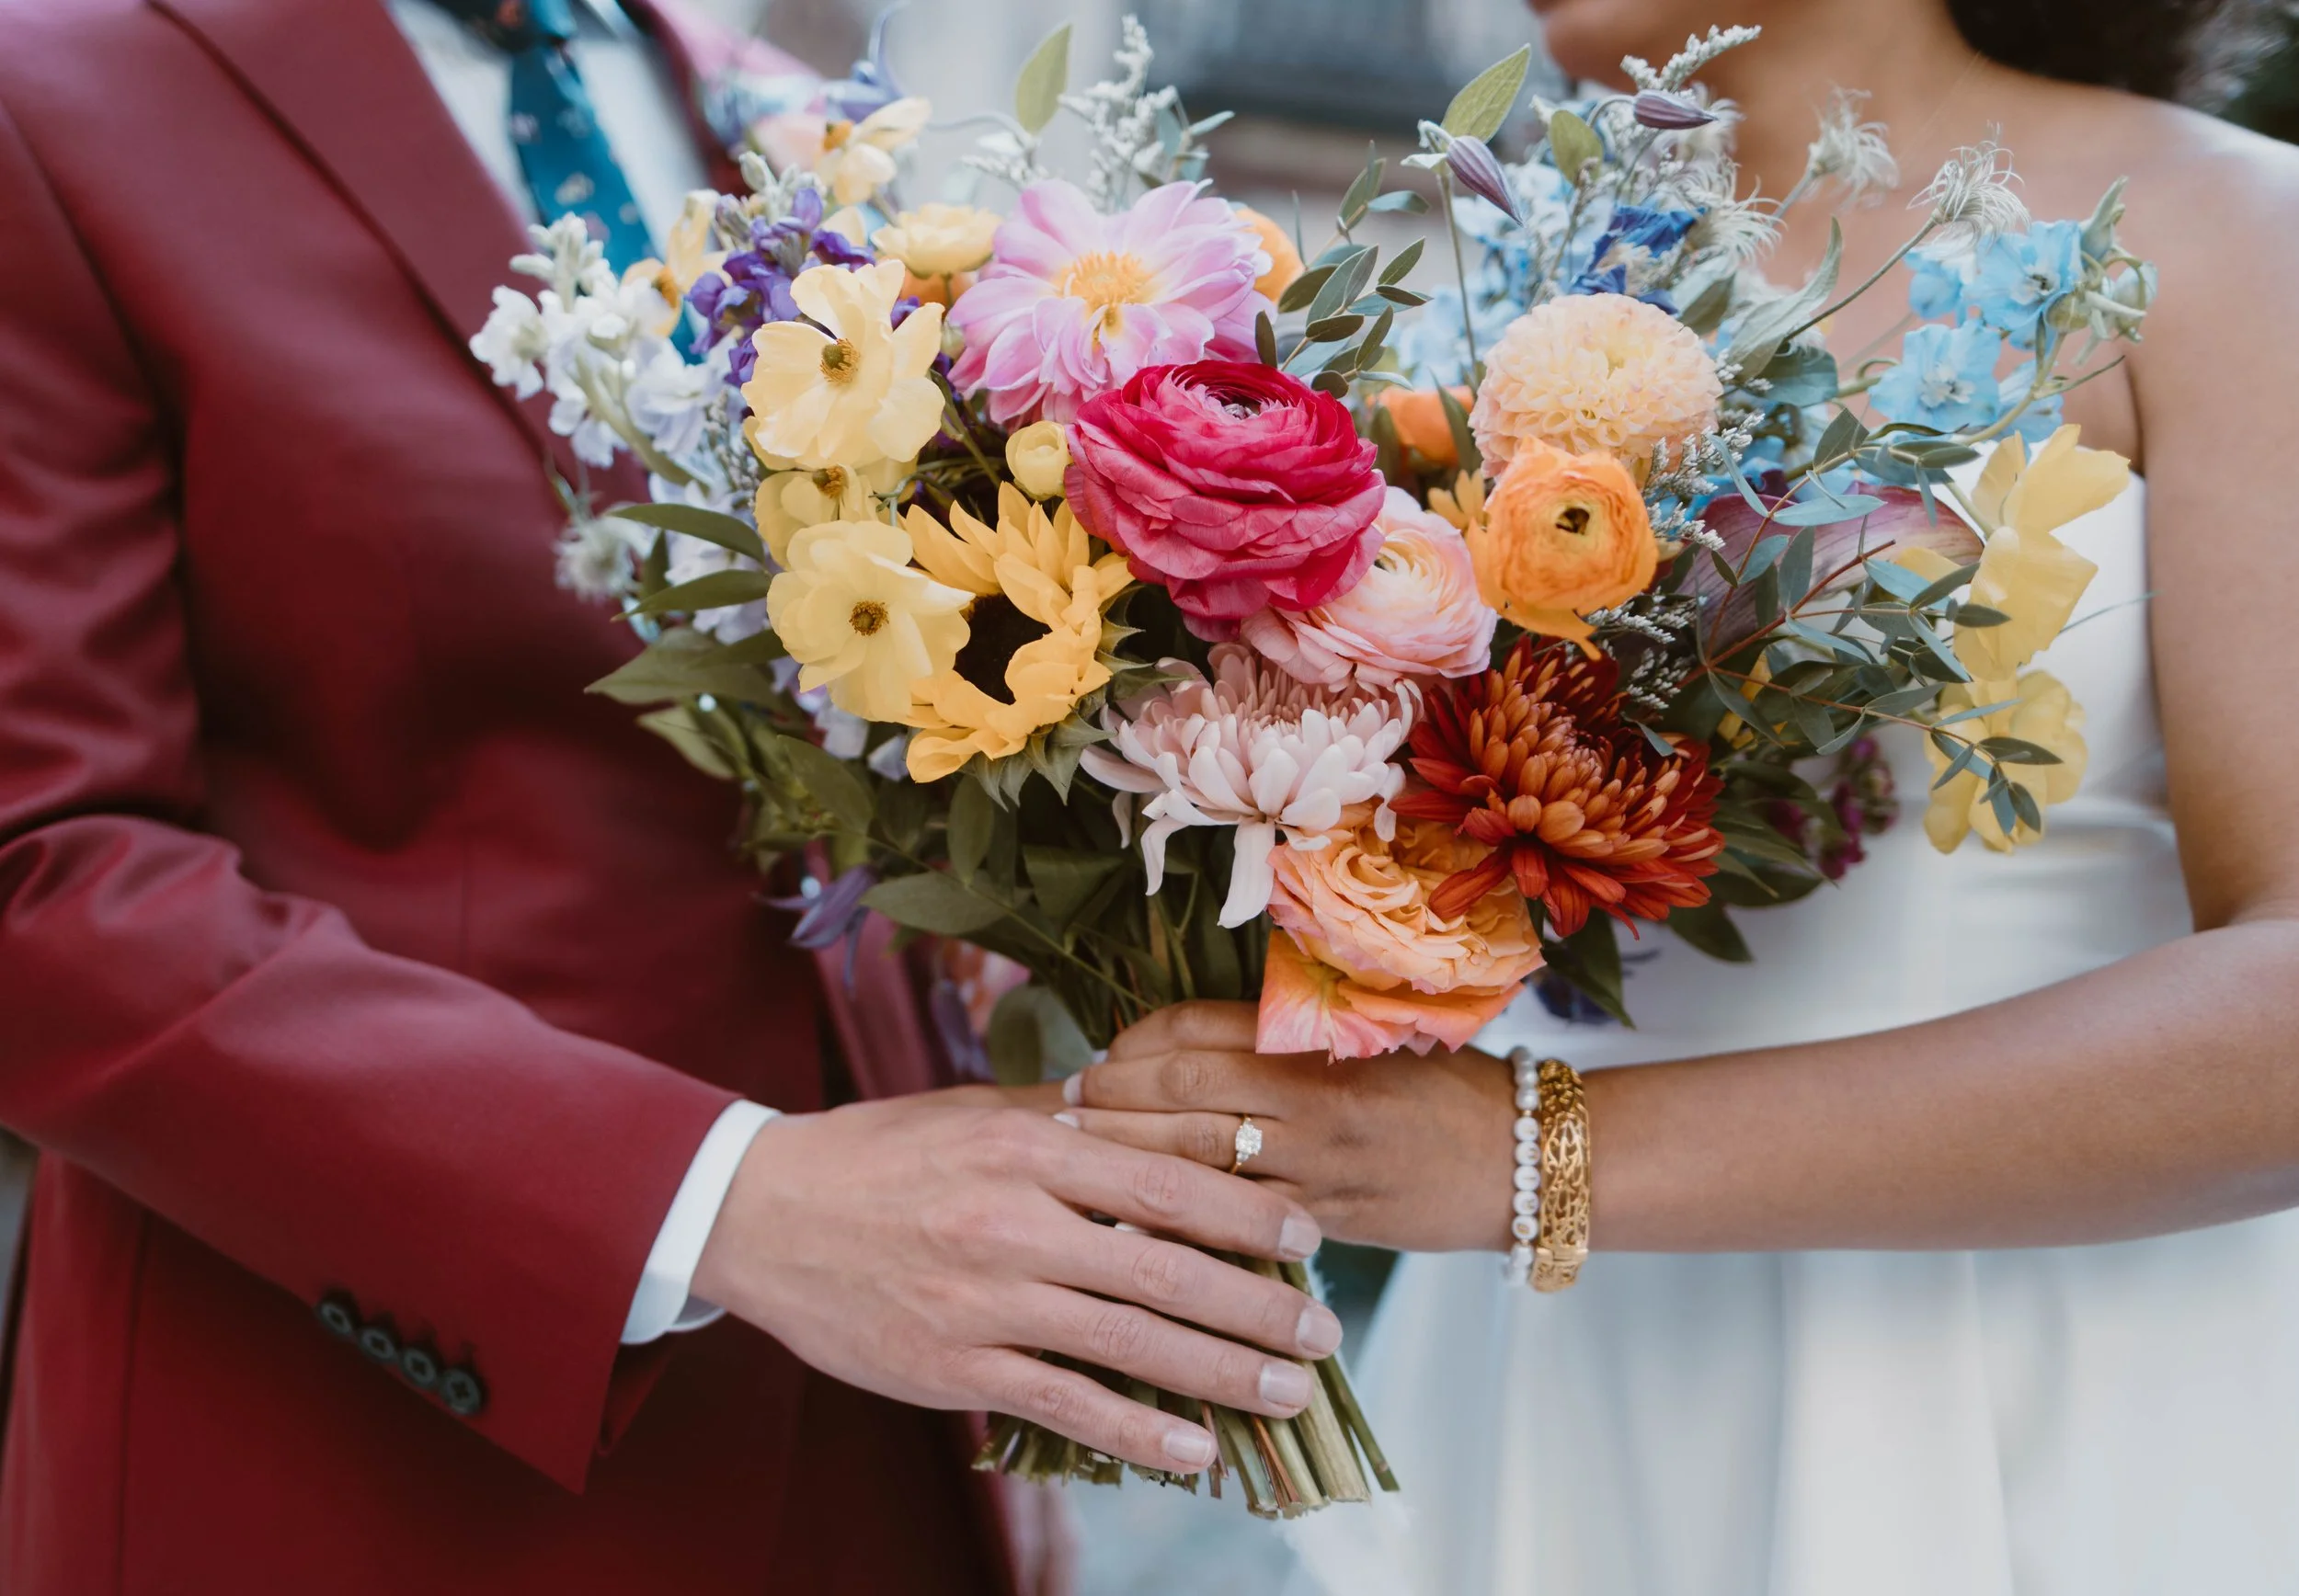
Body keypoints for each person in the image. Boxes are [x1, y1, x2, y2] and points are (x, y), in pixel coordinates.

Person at [0, 1, 1340, 1590]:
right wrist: (716, 1203)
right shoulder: (52, 96)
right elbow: (42, 877)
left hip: (884, 1425)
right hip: (360, 1462)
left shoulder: (768, 110)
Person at [1058, 1, 2299, 1590]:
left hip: (2010, 1405)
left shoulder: (2230, 237)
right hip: (1556, 1380)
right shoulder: (1507, 278)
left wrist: (1534, 1161)